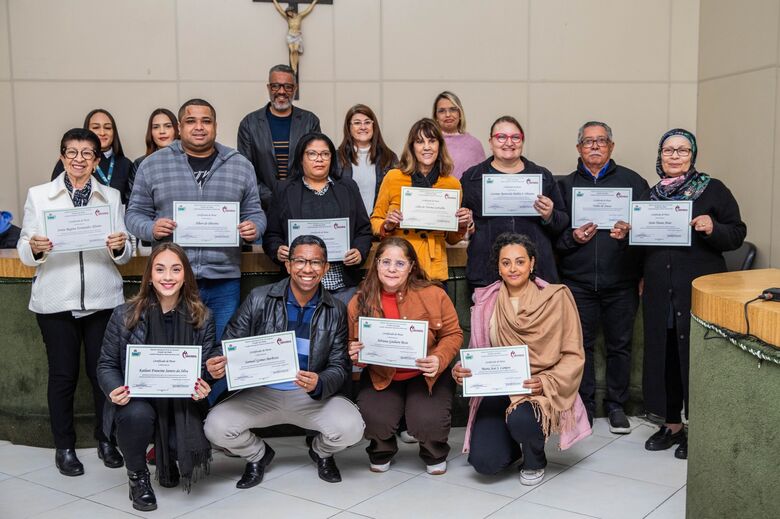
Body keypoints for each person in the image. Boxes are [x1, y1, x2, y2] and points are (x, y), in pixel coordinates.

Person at [204, 235, 365, 487]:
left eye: (315, 262)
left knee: (352, 427)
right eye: (300, 261)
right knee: (216, 427)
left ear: (325, 268)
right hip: (260, 393)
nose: (307, 268)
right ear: (288, 265)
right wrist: (216, 361)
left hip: (308, 397)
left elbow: (339, 366)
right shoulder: (259, 298)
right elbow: (229, 343)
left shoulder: (335, 309)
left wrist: (320, 381)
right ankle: (258, 455)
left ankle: (321, 452)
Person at [18, 128, 132, 476]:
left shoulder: (110, 196)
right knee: (63, 376)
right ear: (62, 156)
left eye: (87, 154)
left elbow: (125, 254)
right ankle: (64, 446)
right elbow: (24, 249)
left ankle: (106, 439)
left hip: (102, 299)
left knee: (104, 375)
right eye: (72, 152)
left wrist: (118, 245)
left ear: (97, 160)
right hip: (56, 300)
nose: (79, 159)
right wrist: (34, 248)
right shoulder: (40, 196)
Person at [629, 129, 746, 460]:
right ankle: (671, 425)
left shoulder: (713, 190)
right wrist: (632, 241)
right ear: (660, 155)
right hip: (658, 291)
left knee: (692, 358)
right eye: (669, 150)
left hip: (695, 290)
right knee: (663, 355)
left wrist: (713, 227)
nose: (675, 156)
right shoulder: (651, 196)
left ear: (693, 155)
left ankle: (699, 427)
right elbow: (646, 245)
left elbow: (737, 233)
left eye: (682, 150)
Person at [126, 98, 266, 345]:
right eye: (191, 121)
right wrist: (151, 228)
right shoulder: (152, 165)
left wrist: (254, 227)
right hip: (172, 280)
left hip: (224, 280)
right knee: (174, 349)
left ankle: (214, 387)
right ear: (179, 127)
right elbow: (134, 215)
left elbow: (256, 213)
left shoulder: (240, 164)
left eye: (206, 121)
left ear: (216, 126)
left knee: (220, 350)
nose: (199, 127)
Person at [452, 233, 588, 486]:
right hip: (498, 387)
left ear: (532, 263)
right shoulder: (486, 300)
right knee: (485, 463)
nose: (513, 269)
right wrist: (461, 369)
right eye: (506, 263)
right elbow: (477, 351)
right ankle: (514, 442)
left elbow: (573, 354)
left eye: (520, 261)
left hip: (538, 387)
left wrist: (545, 381)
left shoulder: (556, 297)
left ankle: (534, 458)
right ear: (499, 267)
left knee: (523, 418)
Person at [97, 243, 215, 512]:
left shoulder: (203, 317)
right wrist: (114, 388)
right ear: (149, 276)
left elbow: (205, 368)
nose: (168, 277)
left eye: (176, 269)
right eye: (160, 269)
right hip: (137, 398)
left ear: (186, 275)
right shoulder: (124, 314)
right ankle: (138, 477)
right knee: (136, 416)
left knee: (181, 440)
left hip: (181, 401)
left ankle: (169, 455)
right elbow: (106, 364)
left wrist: (204, 383)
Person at [556, 121, 649, 431]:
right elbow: (553, 237)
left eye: (601, 141)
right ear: (578, 148)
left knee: (620, 346)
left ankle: (616, 405)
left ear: (611, 145)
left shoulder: (633, 182)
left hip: (621, 280)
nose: (594, 146)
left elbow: (649, 232)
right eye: (588, 141)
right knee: (579, 347)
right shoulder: (564, 186)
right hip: (578, 282)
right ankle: (583, 404)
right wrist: (574, 238)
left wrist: (629, 238)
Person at [347, 237, 463, 475]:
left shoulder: (434, 294)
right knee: (375, 417)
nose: (391, 269)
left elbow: (453, 334)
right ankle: (381, 449)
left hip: (426, 375)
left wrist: (439, 359)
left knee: (427, 422)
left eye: (400, 263)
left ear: (411, 267)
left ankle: (433, 451)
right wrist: (355, 354)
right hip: (382, 375)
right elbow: (353, 345)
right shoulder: (359, 301)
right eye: (386, 261)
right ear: (376, 264)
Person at [461, 115, 568, 293]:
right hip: (487, 273)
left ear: (522, 141)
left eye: (515, 137)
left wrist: (550, 215)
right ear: (491, 141)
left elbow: (562, 223)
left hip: (537, 274)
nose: (508, 143)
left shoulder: (542, 176)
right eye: (501, 137)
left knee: (536, 321)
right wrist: (467, 224)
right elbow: (460, 225)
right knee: (489, 321)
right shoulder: (472, 177)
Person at [264, 132, 373, 304]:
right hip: (298, 286)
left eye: (325, 154)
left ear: (332, 158)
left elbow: (364, 230)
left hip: (341, 287)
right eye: (312, 154)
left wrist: (359, 251)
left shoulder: (348, 187)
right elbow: (271, 234)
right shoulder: (284, 189)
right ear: (301, 158)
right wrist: (277, 249)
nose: (319, 159)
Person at [370, 118, 472, 283]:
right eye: (419, 142)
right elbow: (375, 220)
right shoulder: (393, 177)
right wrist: (387, 225)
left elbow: (451, 239)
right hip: (398, 266)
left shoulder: (452, 184)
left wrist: (461, 225)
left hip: (433, 269)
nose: (426, 147)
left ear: (439, 146)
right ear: (412, 147)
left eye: (432, 141)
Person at [237, 64, 321, 209]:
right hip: (262, 206)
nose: (281, 91)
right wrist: (273, 198)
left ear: (295, 89)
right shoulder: (249, 124)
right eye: (276, 86)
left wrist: (295, 196)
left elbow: (316, 163)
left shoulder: (310, 121)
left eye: (288, 86)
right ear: (269, 88)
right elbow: (246, 171)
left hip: (303, 203)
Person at [52, 109, 135, 205]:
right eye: (96, 127)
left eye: (107, 128)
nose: (102, 132)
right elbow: (55, 197)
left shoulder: (126, 164)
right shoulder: (71, 162)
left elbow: (133, 202)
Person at [336, 104, 398, 214]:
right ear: (348, 127)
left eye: (367, 122)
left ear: (374, 126)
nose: (363, 127)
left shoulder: (389, 157)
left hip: (379, 225)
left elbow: (396, 196)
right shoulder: (337, 158)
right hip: (348, 225)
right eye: (357, 123)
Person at [433, 91, 486, 179]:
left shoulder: (474, 144)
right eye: (442, 111)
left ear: (460, 114)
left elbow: (480, 180)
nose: (448, 115)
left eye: (453, 109)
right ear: (436, 117)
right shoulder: (428, 143)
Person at [271, 0, 318, 77]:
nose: (288, 14)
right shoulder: (288, 18)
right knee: (292, 50)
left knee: (295, 50)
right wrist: (274, 1)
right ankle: (293, 68)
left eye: (289, 12)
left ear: (292, 11)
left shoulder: (299, 16)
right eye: (287, 13)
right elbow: (279, 9)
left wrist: (314, 2)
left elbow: (308, 9)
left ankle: (294, 67)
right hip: (290, 36)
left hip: (297, 36)